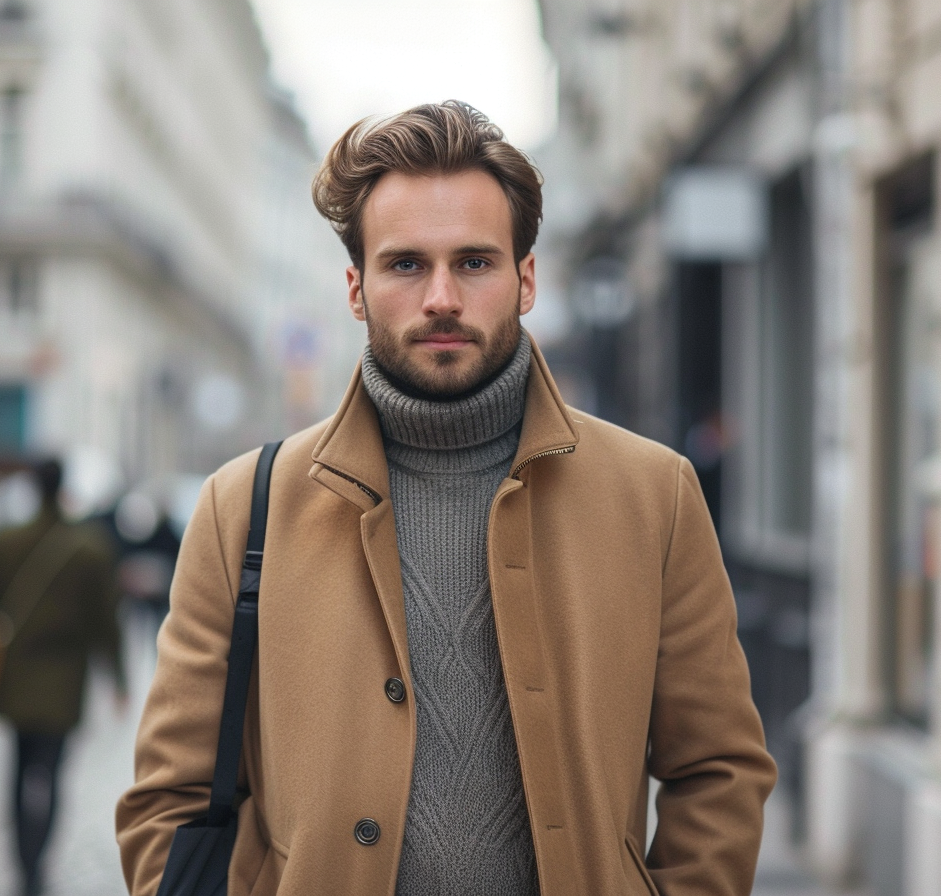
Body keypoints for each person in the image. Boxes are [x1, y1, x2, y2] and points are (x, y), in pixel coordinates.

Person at [117, 101, 776, 895]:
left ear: (525, 279)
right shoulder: (242, 508)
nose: (440, 298)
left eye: (473, 262)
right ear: (356, 289)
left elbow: (719, 769)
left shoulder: (653, 495)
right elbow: (168, 797)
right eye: (405, 265)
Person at [0, 459, 126, 896]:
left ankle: (23, 864)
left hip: (17, 677)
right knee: (52, 773)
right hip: (63, 680)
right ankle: (39, 861)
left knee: (19, 769)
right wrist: (118, 681)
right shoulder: (89, 549)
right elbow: (106, 623)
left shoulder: (5, 542)